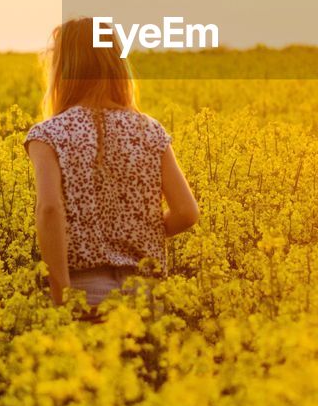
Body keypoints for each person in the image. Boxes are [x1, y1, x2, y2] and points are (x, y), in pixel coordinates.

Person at [24, 17, 200, 314]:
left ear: (62, 69)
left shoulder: (49, 134)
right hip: (146, 292)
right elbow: (186, 212)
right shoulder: (150, 131)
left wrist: (61, 295)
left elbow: (50, 210)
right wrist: (140, 231)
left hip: (85, 290)